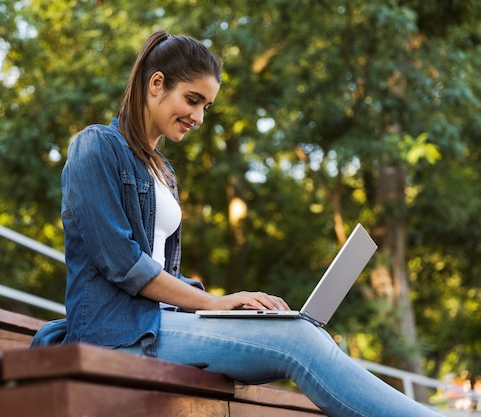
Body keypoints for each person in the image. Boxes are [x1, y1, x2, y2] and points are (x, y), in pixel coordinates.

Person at [34, 30, 445, 417]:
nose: (198, 116)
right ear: (155, 83)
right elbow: (123, 263)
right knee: (297, 341)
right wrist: (213, 304)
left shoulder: (162, 172)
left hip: (162, 328)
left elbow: (163, 276)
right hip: (118, 337)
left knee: (302, 331)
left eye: (205, 107)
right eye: (192, 100)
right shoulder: (96, 146)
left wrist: (227, 306)